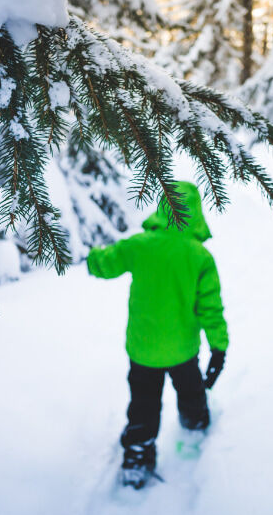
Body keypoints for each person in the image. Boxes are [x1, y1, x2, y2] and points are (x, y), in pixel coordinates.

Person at [87, 181, 229, 489]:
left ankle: (137, 458)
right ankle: (195, 428)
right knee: (191, 393)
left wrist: (91, 257)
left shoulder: (140, 245)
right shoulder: (200, 256)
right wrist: (218, 349)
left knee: (144, 403)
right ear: (195, 213)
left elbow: (106, 263)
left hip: (144, 350)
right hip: (183, 351)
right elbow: (211, 309)